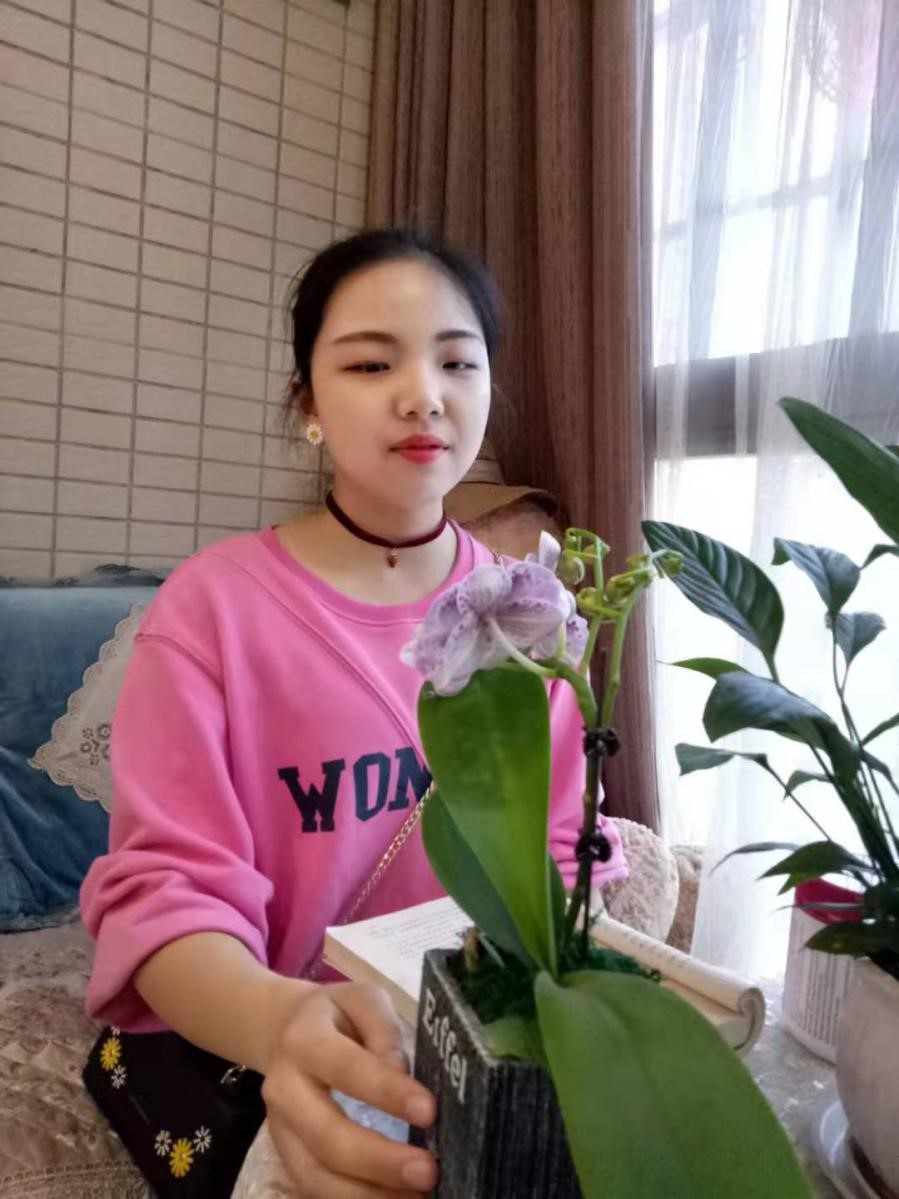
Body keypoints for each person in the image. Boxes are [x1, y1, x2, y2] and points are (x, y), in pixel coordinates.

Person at [80, 228, 628, 1198]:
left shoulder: (530, 618)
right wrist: (281, 1023)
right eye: (372, 363)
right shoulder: (212, 610)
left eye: (457, 361)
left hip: (470, 1048)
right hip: (267, 1037)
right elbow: (168, 894)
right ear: (307, 405)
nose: (423, 394)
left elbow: (557, 848)